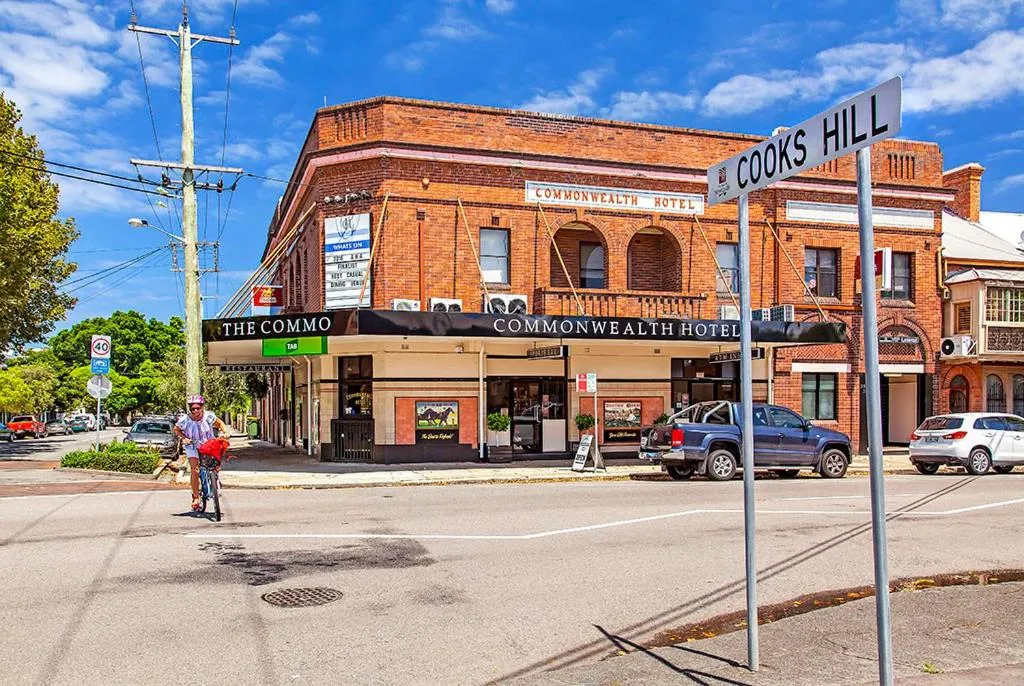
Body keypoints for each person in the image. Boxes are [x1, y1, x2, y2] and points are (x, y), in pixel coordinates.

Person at [173, 394, 228, 511]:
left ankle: (215, 479)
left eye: (198, 408)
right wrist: (184, 438)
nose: (196, 410)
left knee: (215, 464)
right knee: (195, 469)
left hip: (208, 445)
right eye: (193, 408)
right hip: (192, 446)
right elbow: (176, 429)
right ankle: (196, 497)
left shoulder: (209, 416)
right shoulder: (185, 419)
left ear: (202, 407)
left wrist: (225, 432)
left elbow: (220, 424)